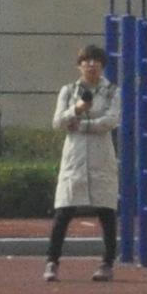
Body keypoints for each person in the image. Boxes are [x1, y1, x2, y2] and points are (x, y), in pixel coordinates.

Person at [49, 45, 121, 280]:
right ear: (79, 65)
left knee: (106, 211)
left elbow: (111, 120)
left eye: (96, 61)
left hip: (101, 157)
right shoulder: (69, 91)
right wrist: (76, 110)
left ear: (102, 65)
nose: (91, 65)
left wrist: (84, 125)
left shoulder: (111, 91)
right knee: (63, 211)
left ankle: (107, 263)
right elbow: (58, 122)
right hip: (75, 158)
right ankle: (52, 262)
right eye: (86, 61)